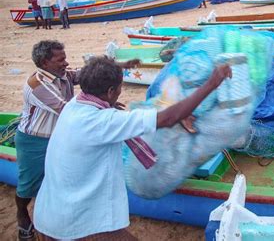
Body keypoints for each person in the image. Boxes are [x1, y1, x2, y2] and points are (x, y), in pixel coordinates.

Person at [33, 57, 232, 240]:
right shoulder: (102, 121)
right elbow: (168, 118)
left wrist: (117, 74)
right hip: (75, 224)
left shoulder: (74, 105)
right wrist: (212, 82)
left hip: (47, 214)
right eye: (119, 88)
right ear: (111, 91)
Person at [14, 41, 140, 240]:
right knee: (27, 184)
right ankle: (22, 216)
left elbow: (86, 74)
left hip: (61, 136)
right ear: (45, 62)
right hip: (35, 141)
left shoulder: (62, 75)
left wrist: (120, 67)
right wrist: (106, 106)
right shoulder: (36, 85)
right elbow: (66, 107)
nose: (66, 63)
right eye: (60, 59)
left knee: (55, 181)